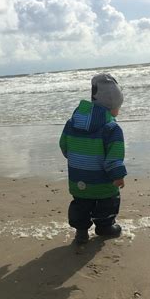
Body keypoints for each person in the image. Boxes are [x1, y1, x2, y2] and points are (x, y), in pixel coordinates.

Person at [59, 73, 127, 244]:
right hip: (103, 182)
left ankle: (81, 232)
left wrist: (75, 157)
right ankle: (105, 227)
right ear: (111, 106)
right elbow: (114, 156)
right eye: (118, 107)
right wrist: (118, 175)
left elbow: (64, 144)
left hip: (78, 179)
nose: (118, 112)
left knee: (81, 204)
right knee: (108, 202)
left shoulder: (72, 123)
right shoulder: (111, 128)